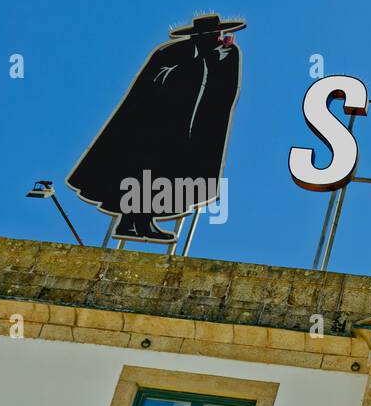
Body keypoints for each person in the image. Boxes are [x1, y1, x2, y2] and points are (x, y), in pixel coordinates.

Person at [67, 14, 245, 242]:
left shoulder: (219, 54)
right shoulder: (171, 53)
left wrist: (222, 58)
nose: (219, 39)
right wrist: (205, 61)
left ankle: (137, 222)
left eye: (219, 35)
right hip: (151, 130)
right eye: (214, 36)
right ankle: (134, 222)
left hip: (184, 132)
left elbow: (220, 93)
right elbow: (162, 80)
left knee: (166, 175)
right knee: (145, 173)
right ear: (201, 36)